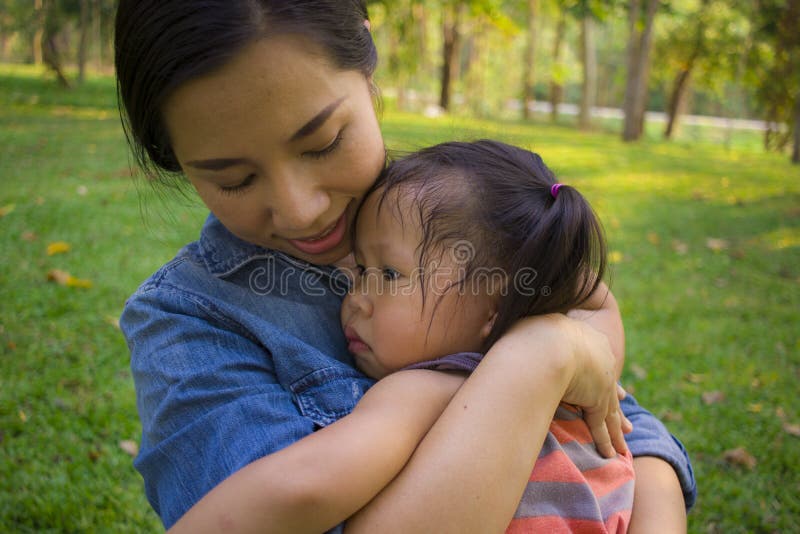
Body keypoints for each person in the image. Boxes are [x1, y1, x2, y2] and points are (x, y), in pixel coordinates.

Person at [114, 1, 695, 532]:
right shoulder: (189, 324)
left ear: (368, 67)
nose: (301, 210)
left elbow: (626, 430)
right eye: (234, 179)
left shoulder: (471, 222)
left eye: (322, 142)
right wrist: (541, 357)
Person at [340, 139, 635, 532]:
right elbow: (597, 301)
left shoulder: (417, 392)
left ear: (493, 305)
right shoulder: (581, 383)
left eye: (389, 274)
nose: (356, 299)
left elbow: (311, 486)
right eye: (360, 269)